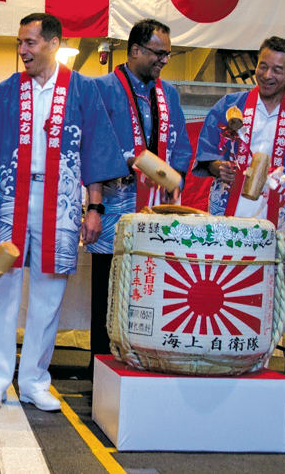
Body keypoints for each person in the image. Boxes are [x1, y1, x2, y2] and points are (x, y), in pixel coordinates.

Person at [0, 13, 126, 411]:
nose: (22, 51)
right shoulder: (6, 91)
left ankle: (34, 380)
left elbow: (97, 152)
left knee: (50, 293)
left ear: (53, 43)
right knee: (2, 287)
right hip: (12, 197)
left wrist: (95, 207)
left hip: (64, 200)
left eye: (30, 43)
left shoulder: (82, 90)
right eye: (20, 43)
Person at [87, 19, 192, 364]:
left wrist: (175, 180)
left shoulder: (169, 95)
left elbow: (180, 150)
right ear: (135, 50)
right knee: (109, 286)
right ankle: (102, 363)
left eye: (168, 54)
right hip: (115, 205)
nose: (164, 60)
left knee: (151, 285)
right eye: (158, 53)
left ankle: (146, 358)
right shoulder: (102, 89)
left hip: (157, 209)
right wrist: (124, 162)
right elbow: (91, 148)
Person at [194, 36, 285, 244]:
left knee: (268, 272)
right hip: (228, 204)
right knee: (220, 271)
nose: (267, 75)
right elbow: (208, 150)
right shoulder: (230, 105)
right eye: (263, 67)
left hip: (278, 211)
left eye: (278, 70)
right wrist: (217, 167)